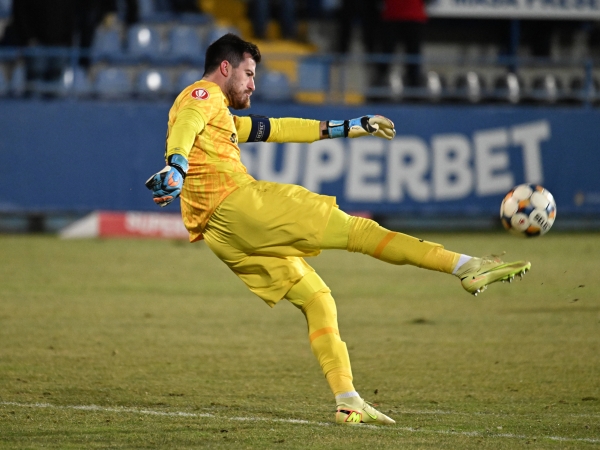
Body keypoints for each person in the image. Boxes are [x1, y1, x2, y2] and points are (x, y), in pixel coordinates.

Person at [145, 33, 531, 425]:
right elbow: (188, 123)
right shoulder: (203, 95)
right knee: (359, 232)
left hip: (221, 235)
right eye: (248, 74)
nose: (253, 84)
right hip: (241, 205)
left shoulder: (221, 118)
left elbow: (279, 128)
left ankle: (348, 400)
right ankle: (466, 266)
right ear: (225, 68)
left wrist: (350, 126)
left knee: (317, 299)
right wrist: (176, 165)